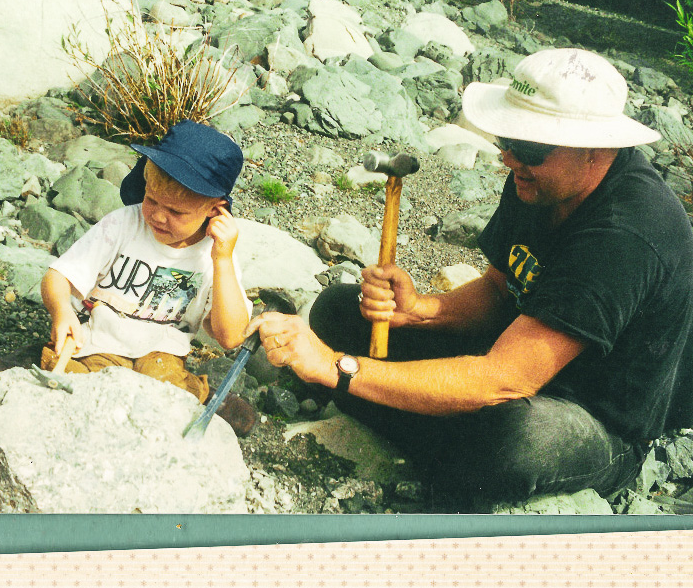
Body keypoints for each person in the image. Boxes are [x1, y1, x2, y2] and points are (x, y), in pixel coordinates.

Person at [244, 48, 693, 507]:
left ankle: (439, 445)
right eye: (507, 140)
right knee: (338, 310)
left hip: (592, 416)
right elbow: (500, 290)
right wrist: (418, 312)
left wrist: (335, 369)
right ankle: (441, 440)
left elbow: (503, 380)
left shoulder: (626, 235)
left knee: (514, 437)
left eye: (531, 147)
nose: (509, 158)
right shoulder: (535, 178)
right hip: (509, 351)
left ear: (595, 149)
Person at [40, 119, 256, 435]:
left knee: (164, 394)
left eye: (176, 212)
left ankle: (201, 392)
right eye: (151, 198)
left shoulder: (216, 253)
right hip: (99, 343)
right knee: (73, 387)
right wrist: (61, 312)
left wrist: (222, 259)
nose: (157, 215)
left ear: (215, 209)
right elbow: (57, 277)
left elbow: (231, 336)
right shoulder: (123, 225)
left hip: (160, 354)